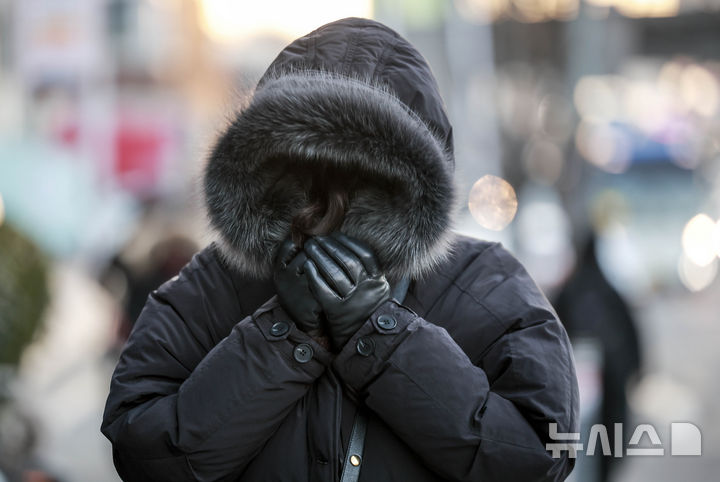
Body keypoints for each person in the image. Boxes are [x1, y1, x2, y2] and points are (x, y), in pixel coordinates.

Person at [101, 17, 579, 482]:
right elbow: (144, 453)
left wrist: (381, 334)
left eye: (361, 178)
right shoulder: (212, 286)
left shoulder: (486, 284)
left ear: (409, 186)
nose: (326, 201)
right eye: (302, 171)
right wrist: (285, 334)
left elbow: (540, 454)